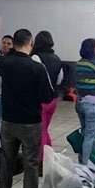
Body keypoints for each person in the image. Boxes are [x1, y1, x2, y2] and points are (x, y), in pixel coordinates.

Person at [0, 29, 54, 188]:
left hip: (8, 121)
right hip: (30, 122)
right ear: (31, 42)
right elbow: (47, 97)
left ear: (14, 42)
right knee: (31, 165)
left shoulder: (4, 63)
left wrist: (11, 53)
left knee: (7, 163)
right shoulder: (37, 68)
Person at [31, 31, 64, 173]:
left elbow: (32, 77)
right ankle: (49, 159)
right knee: (44, 130)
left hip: (40, 99)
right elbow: (60, 79)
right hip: (53, 99)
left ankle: (41, 163)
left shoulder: (35, 57)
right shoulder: (56, 58)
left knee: (40, 131)